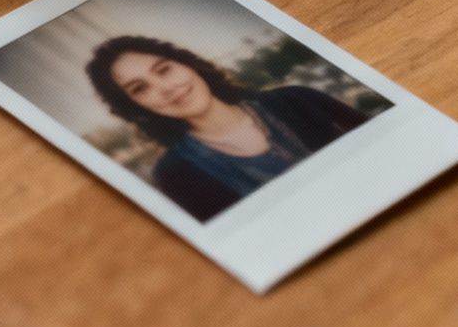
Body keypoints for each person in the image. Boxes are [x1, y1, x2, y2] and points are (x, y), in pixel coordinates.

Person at [82, 35, 367, 221]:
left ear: (188, 64)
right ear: (136, 107)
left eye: (164, 69)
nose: (166, 88)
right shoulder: (176, 175)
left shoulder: (297, 99)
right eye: (140, 88)